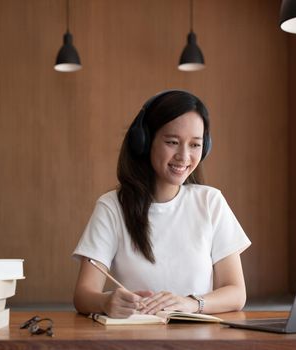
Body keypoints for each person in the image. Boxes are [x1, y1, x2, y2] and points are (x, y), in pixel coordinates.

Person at [73, 90, 251, 318]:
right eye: (172, 142)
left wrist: (191, 303)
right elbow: (83, 295)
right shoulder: (112, 207)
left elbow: (236, 293)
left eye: (195, 145)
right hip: (134, 339)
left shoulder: (210, 202)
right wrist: (106, 301)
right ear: (145, 142)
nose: (184, 156)